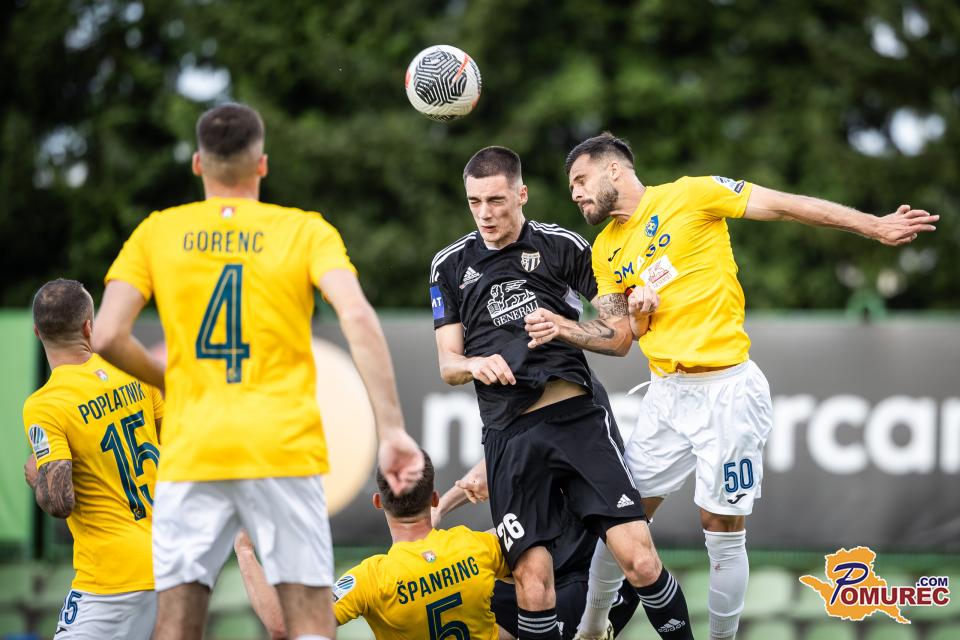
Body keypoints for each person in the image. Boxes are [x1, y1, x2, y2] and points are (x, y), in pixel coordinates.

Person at [524, 132, 939, 639]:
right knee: (621, 521)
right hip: (666, 395)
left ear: (614, 170)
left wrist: (873, 225)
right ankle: (591, 630)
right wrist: (625, 317)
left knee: (720, 529)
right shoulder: (606, 249)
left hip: (728, 392)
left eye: (580, 180)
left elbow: (784, 205)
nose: (575, 193)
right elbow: (619, 338)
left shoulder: (692, 195)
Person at [91, 102, 424, 640]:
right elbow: (358, 317)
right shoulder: (304, 230)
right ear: (262, 165)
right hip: (282, 449)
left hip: (193, 449)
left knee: (175, 626)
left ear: (198, 164)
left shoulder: (158, 231)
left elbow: (106, 334)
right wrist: (391, 430)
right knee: (310, 623)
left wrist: (171, 381)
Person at [431, 145, 693, 640]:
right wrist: (473, 364)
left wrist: (565, 328)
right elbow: (448, 365)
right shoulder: (449, 265)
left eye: (496, 200)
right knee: (533, 587)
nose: (485, 213)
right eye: (475, 202)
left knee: (639, 560)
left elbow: (619, 337)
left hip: (576, 419)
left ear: (521, 195)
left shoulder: (563, 246)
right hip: (508, 437)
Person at [235, 450, 511, 639]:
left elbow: (283, 627)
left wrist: (244, 550)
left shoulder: (371, 580)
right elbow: (527, 541)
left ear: (378, 502)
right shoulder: (477, 546)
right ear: (434, 498)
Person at [22, 279, 163, 639]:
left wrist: (37, 477)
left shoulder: (45, 405)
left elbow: (59, 502)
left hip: (111, 578)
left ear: (37, 332)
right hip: (168, 557)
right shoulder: (131, 368)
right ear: (89, 326)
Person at [436, 460, 641, 639]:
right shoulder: (515, 440)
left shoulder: (587, 439)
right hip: (540, 557)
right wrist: (440, 508)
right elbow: (494, 460)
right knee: (471, 617)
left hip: (587, 572)